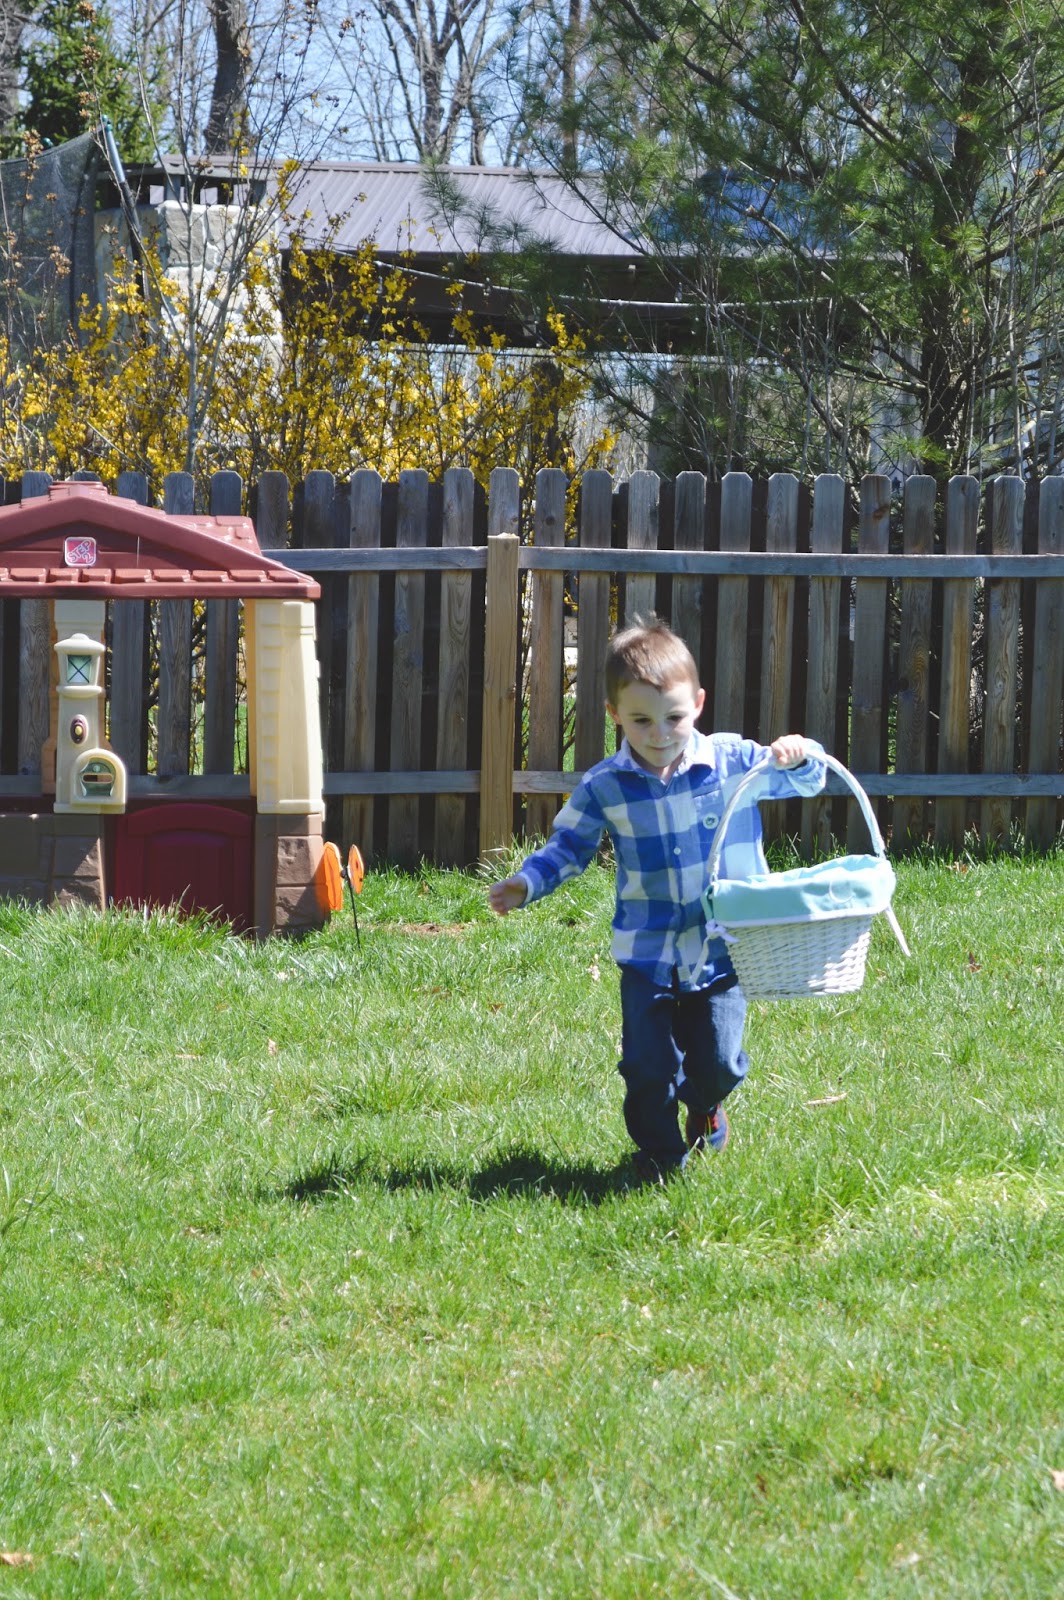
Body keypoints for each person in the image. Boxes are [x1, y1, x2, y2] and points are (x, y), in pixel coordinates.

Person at [488, 616, 827, 1184]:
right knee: (647, 1066)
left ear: (697, 703)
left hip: (723, 948)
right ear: (614, 715)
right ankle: (659, 1156)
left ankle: (705, 1103)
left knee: (719, 1061)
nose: (660, 733)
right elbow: (569, 846)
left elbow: (806, 779)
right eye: (641, 720)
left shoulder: (733, 762)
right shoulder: (606, 785)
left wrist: (799, 753)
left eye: (674, 717)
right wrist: (527, 883)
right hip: (648, 952)